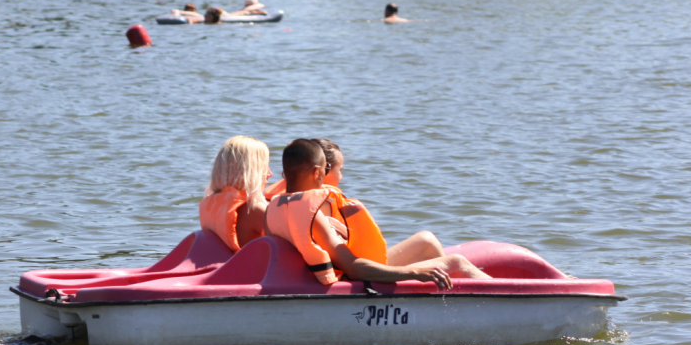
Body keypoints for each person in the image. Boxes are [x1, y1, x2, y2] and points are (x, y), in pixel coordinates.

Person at [265, 139, 489, 288]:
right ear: (317, 172)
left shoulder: (273, 208)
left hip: (313, 281)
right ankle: (514, 297)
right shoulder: (314, 215)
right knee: (457, 262)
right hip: (349, 284)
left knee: (428, 243)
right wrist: (415, 273)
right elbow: (354, 268)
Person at [198, 136, 271, 251]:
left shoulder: (210, 205)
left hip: (225, 267)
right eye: (264, 166)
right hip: (253, 268)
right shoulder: (254, 210)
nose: (270, 174)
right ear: (250, 171)